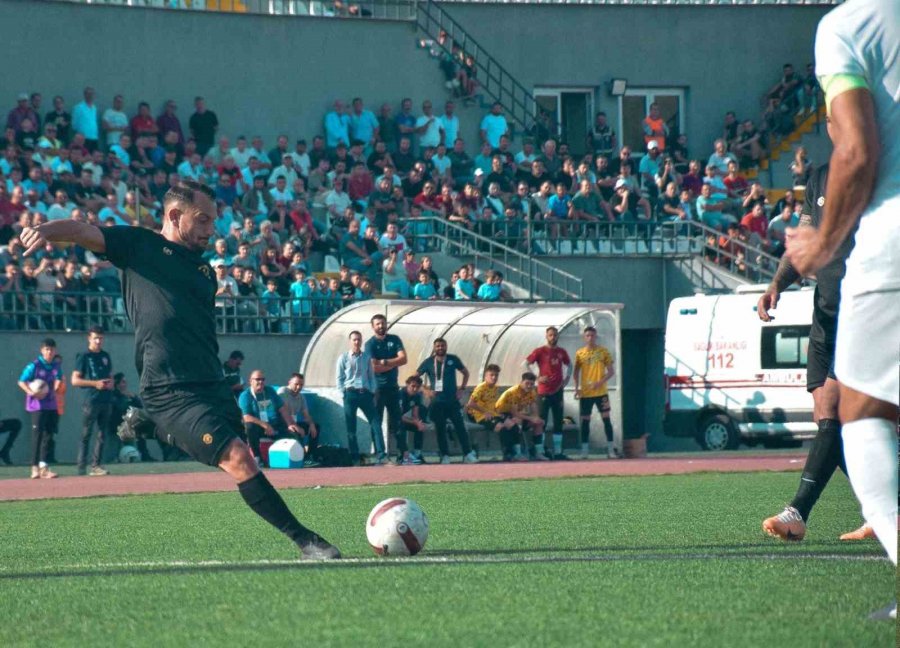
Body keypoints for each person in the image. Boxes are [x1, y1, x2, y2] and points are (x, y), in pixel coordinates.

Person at [20, 180, 340, 560]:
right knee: (237, 457)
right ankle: (307, 542)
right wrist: (44, 231)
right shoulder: (139, 245)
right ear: (174, 215)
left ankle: (153, 425)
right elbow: (84, 231)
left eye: (213, 222)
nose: (210, 230)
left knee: (241, 454)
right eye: (202, 221)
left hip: (210, 382)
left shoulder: (205, 271)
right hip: (169, 388)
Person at [785, 0, 898, 619]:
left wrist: (826, 244)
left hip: (891, 234)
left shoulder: (848, 26)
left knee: (858, 409)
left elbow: (856, 150)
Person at [759, 163, 871, 543]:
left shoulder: (879, 168)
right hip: (825, 314)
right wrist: (777, 284)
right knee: (827, 419)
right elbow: (804, 242)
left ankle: (798, 511)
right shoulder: (820, 177)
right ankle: (885, 510)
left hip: (864, 311)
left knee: (838, 413)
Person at [416, 338, 477, 464]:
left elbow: (466, 373)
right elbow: (414, 378)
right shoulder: (428, 362)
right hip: (437, 402)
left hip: (452, 401)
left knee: (460, 427)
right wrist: (425, 390)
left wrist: (462, 389)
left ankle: (467, 454)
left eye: (442, 346)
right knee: (440, 428)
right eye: (438, 346)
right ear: (434, 348)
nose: (440, 348)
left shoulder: (453, 359)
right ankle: (445, 455)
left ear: (446, 346)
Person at [336, 330, 383, 465]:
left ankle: (381, 454)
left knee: (375, 423)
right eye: (354, 340)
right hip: (350, 394)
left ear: (361, 341)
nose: (356, 342)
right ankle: (355, 457)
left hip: (365, 393)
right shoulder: (343, 358)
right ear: (350, 341)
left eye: (358, 340)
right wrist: (343, 394)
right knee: (351, 428)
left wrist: (372, 392)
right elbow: (339, 378)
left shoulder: (366, 357)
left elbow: (371, 376)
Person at [71, 325, 114, 476]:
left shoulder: (105, 355)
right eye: (95, 338)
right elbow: (75, 380)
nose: (98, 341)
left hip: (106, 399)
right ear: (89, 338)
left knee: (102, 434)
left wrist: (110, 384)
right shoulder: (83, 356)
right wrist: (94, 383)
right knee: (86, 433)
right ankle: (81, 467)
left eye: (101, 338)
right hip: (91, 400)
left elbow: (110, 375)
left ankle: (96, 465)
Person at [17, 338, 62, 479]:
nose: (49, 352)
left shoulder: (55, 366)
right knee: (37, 435)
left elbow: (59, 377)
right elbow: (21, 381)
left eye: (52, 350)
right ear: (42, 350)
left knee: (48, 435)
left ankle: (44, 466)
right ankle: (34, 467)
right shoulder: (34, 366)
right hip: (37, 406)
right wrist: (31, 392)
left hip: (51, 404)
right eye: (47, 349)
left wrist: (56, 385)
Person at [238, 370, 303, 467]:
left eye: (263, 379)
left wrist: (291, 424)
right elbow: (246, 417)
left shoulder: (270, 391)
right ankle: (257, 456)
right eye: (258, 379)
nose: (261, 382)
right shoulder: (245, 396)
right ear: (250, 381)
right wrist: (265, 425)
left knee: (295, 431)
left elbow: (282, 409)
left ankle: (300, 458)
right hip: (259, 428)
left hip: (275, 425)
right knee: (249, 426)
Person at [365, 314, 407, 464]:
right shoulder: (369, 344)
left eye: (383, 323)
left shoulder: (394, 339)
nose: (381, 326)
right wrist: (394, 363)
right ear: (373, 327)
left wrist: (385, 362)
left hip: (393, 388)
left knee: (398, 422)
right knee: (376, 423)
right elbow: (373, 368)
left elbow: (404, 359)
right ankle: (380, 455)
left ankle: (402, 456)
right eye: (377, 324)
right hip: (377, 390)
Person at [526, 326, 571, 460]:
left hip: (558, 391)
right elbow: (525, 363)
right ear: (546, 336)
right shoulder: (540, 351)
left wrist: (566, 380)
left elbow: (570, 365)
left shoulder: (561, 351)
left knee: (558, 421)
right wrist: (537, 377)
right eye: (550, 335)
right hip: (543, 392)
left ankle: (557, 452)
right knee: (542, 422)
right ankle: (540, 451)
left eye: (555, 335)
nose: (553, 337)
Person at [573, 326, 617, 460]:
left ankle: (610, 450)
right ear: (584, 337)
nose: (590, 338)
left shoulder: (603, 351)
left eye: (592, 335)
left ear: (596, 336)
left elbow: (611, 372)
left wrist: (600, 382)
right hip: (586, 393)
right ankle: (585, 451)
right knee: (585, 421)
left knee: (606, 419)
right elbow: (575, 372)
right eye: (588, 336)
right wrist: (576, 388)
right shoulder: (579, 353)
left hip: (601, 392)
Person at [466, 364, 522, 462]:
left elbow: (492, 404)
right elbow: (470, 404)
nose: (494, 377)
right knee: (501, 427)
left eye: (496, 375)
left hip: (493, 414)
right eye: (491, 375)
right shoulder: (481, 388)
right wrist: (485, 412)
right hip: (480, 416)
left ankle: (517, 452)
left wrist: (503, 415)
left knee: (513, 425)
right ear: (485, 376)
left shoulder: (495, 388)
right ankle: (507, 454)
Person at [495, 372, 544, 461]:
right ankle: (517, 453)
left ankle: (538, 452)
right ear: (521, 382)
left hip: (517, 413)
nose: (529, 386)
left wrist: (536, 418)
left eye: (532, 384)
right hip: (501, 413)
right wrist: (531, 418)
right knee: (517, 420)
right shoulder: (514, 392)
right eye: (527, 383)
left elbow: (534, 406)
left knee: (538, 423)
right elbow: (514, 413)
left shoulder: (531, 392)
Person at [277, 373, 319, 461]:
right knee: (296, 431)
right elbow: (284, 413)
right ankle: (302, 457)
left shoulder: (301, 397)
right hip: (282, 423)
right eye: (296, 384)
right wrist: (297, 427)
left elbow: (306, 415)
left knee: (316, 427)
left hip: (293, 422)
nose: (299, 387)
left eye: (301, 385)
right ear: (289, 383)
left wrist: (311, 424)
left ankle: (311, 455)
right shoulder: (283, 392)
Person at [399, 375, 426, 465]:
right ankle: (403, 456)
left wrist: (418, 423)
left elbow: (415, 414)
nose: (415, 389)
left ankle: (417, 453)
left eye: (417, 387)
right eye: (413, 386)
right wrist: (414, 422)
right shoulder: (401, 394)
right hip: (394, 421)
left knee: (420, 427)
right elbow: (398, 416)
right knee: (400, 427)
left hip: (404, 419)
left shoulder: (417, 396)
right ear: (407, 385)